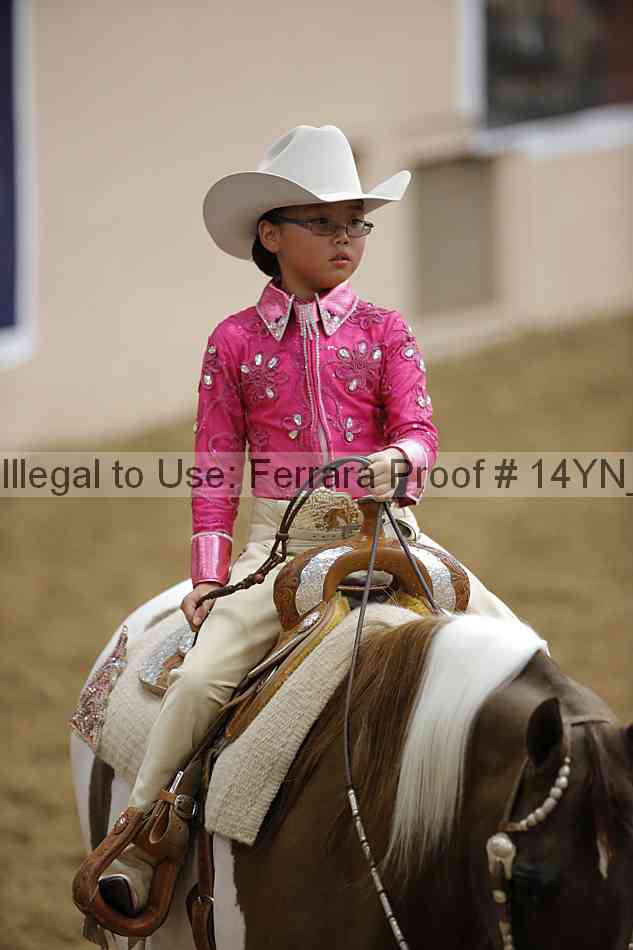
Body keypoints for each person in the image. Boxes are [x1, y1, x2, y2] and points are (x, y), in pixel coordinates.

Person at [96, 124, 519, 915]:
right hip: (281, 547)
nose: (345, 238)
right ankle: (143, 837)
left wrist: (401, 459)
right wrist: (209, 575)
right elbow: (216, 464)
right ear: (271, 234)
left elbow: (420, 430)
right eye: (322, 223)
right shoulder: (232, 343)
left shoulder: (385, 330)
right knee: (201, 680)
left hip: (386, 534)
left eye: (355, 223)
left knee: (520, 649)